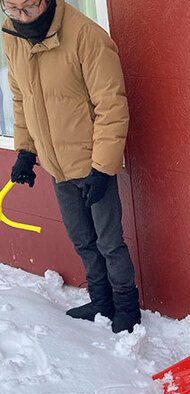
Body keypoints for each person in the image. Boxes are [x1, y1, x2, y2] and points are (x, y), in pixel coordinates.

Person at [2, 0, 141, 333]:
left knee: (109, 243)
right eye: (12, 9)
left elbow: (111, 106)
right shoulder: (12, 37)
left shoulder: (86, 36)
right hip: (57, 166)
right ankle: (101, 301)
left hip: (92, 164)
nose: (22, 16)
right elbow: (21, 99)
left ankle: (126, 306)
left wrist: (103, 169)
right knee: (81, 240)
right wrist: (25, 150)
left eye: (29, 7)